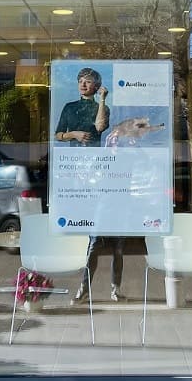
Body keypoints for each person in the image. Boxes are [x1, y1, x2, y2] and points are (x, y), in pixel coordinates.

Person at [53, 67, 125, 302]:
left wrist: (103, 100)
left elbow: (100, 127)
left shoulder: (100, 107)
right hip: (77, 173)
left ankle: (115, 288)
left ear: (96, 86)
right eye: (80, 81)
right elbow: (57, 135)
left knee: (115, 240)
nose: (83, 84)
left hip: (99, 172)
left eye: (88, 82)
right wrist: (72, 134)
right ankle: (85, 288)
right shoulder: (69, 107)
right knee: (92, 239)